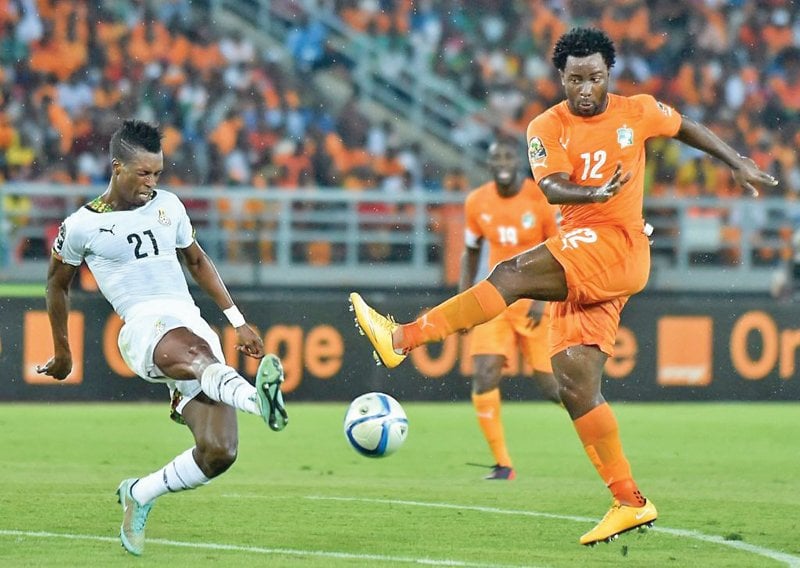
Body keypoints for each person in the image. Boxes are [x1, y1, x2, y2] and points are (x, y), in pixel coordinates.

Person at [349, 27, 777, 546]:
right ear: (562, 78)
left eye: (595, 77)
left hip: (617, 246)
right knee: (575, 385)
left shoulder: (637, 111)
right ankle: (629, 501)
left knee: (509, 275)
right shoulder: (545, 126)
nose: (586, 89)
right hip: (586, 251)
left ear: (607, 75)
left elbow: (684, 126)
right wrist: (594, 191)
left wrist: (736, 161)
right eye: (576, 79)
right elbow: (551, 187)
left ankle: (402, 340)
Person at [36, 119, 289, 557]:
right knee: (196, 355)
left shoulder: (169, 205)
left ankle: (140, 492)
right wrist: (62, 352)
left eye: (157, 173)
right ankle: (257, 402)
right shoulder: (81, 226)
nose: (151, 183)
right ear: (117, 168)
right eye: (143, 174)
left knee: (219, 452)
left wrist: (236, 320)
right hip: (140, 328)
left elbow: (196, 260)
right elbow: (57, 284)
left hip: (189, 323)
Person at [460, 140, 561, 481]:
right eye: (495, 158)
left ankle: (599, 428)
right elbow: (471, 251)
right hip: (496, 300)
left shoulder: (540, 198)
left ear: (518, 161)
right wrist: (462, 302)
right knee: (484, 374)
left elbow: (559, 250)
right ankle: (503, 465)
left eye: (507, 156)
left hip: (534, 301)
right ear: (488, 165)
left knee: (554, 389)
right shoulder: (476, 202)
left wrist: (541, 299)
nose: (502, 162)